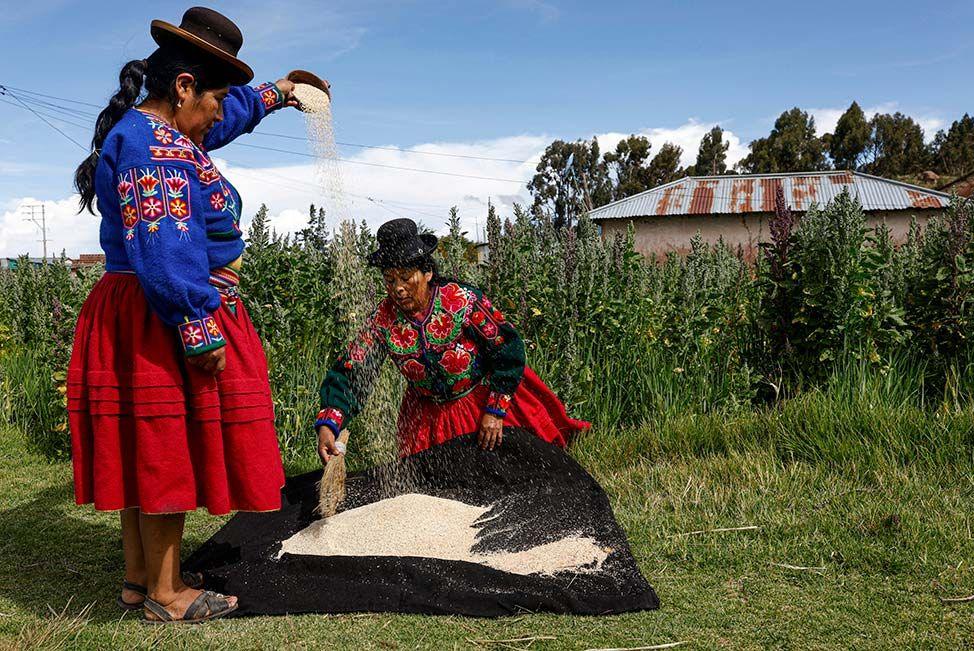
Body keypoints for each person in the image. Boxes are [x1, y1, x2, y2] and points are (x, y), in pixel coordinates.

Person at [68, 7, 325, 624]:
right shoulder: (154, 150)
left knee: (148, 447)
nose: (218, 112)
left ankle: (142, 579)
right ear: (184, 87)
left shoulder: (166, 130)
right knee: (165, 447)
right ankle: (166, 594)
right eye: (212, 97)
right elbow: (164, 247)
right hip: (163, 311)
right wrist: (197, 324)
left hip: (142, 306)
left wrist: (281, 94)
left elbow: (231, 114)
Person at [315, 218, 590, 463]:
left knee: (523, 468)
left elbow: (507, 348)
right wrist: (330, 424)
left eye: (406, 277)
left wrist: (495, 410)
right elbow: (352, 372)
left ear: (427, 272)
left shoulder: (461, 301)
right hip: (427, 419)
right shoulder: (382, 320)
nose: (397, 288)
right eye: (389, 279)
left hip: (482, 401)